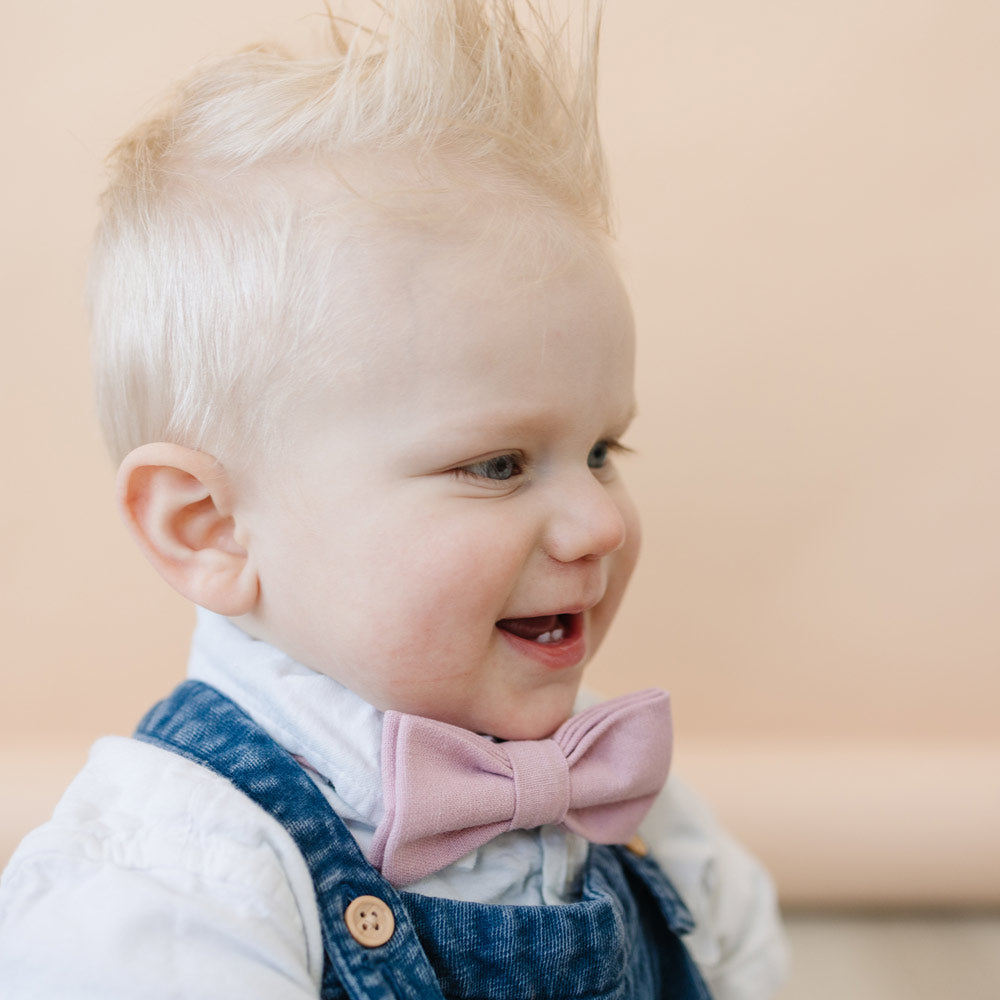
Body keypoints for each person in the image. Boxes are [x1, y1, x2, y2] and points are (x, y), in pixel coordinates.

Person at [0, 2, 787, 997]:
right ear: (208, 526)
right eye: (497, 464)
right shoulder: (168, 884)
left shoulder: (641, 812)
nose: (602, 522)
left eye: (600, 449)